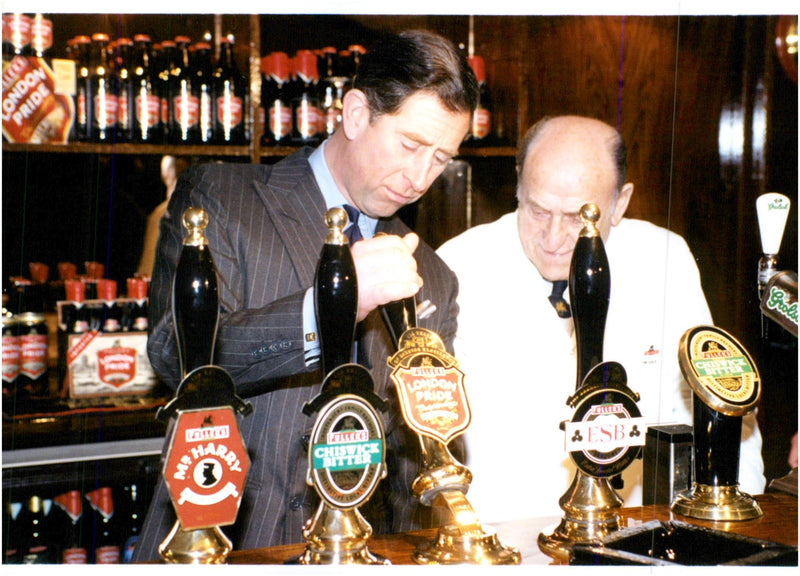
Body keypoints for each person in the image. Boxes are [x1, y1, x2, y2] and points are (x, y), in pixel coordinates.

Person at [132, 29, 478, 560]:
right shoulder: (224, 199)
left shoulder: (430, 273)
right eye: (410, 145)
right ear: (356, 113)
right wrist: (329, 305)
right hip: (229, 547)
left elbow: (423, 455)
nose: (418, 177)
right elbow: (175, 358)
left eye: (440, 158)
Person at [436, 115, 765, 524]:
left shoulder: (665, 259)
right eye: (538, 211)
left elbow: (722, 407)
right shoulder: (457, 267)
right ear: (519, 185)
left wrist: (731, 529)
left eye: (579, 218)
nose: (554, 239)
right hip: (505, 540)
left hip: (640, 535)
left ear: (620, 203)